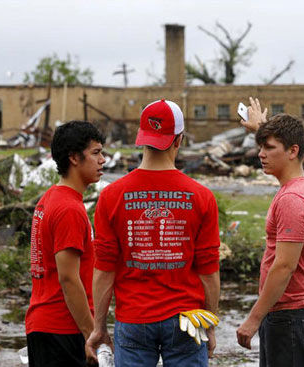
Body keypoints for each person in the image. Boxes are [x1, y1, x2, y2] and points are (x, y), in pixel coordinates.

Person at [86, 99, 221, 367]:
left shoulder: (112, 196)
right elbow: (208, 271)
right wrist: (210, 324)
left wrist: (99, 327)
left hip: (134, 318)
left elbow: (104, 270)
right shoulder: (201, 196)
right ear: (179, 140)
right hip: (187, 320)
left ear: (142, 139)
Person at [236, 97, 304, 366]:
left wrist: (253, 318)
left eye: (269, 148)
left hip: (291, 318)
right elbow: (282, 140)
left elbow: (284, 265)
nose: (261, 154)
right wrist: (261, 128)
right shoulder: (301, 187)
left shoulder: (292, 200)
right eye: (260, 146)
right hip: (292, 315)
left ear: (292, 151)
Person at [24, 121, 106, 367]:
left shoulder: (50, 198)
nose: (103, 160)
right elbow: (68, 278)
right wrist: (91, 335)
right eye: (96, 153)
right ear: (73, 158)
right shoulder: (69, 209)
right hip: (62, 329)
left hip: (45, 325)